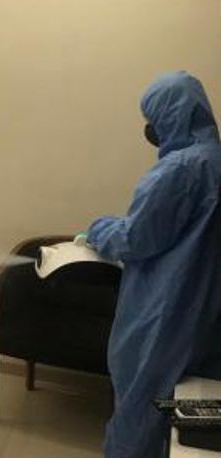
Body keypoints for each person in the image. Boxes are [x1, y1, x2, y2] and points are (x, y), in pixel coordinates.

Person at [87, 71, 221, 458]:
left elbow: (135, 239)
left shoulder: (179, 170)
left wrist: (99, 228)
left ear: (171, 116)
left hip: (167, 310)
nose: (150, 128)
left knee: (143, 402)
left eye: (153, 118)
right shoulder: (214, 160)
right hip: (207, 313)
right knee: (189, 411)